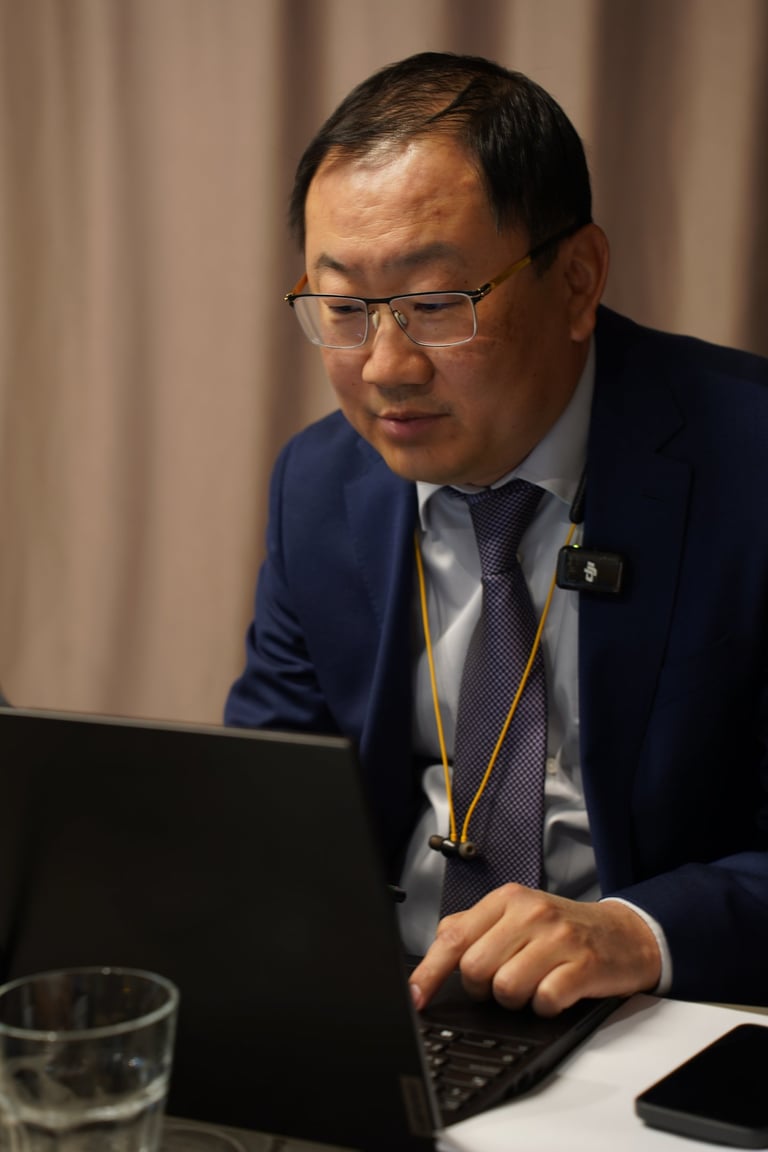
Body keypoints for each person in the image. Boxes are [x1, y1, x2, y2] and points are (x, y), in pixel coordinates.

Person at [225, 51, 768, 1016]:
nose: (385, 367)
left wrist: (638, 931)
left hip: (659, 1015)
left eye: (436, 306)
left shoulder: (748, 462)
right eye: (343, 308)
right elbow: (271, 798)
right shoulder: (320, 484)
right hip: (395, 1011)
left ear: (578, 280)